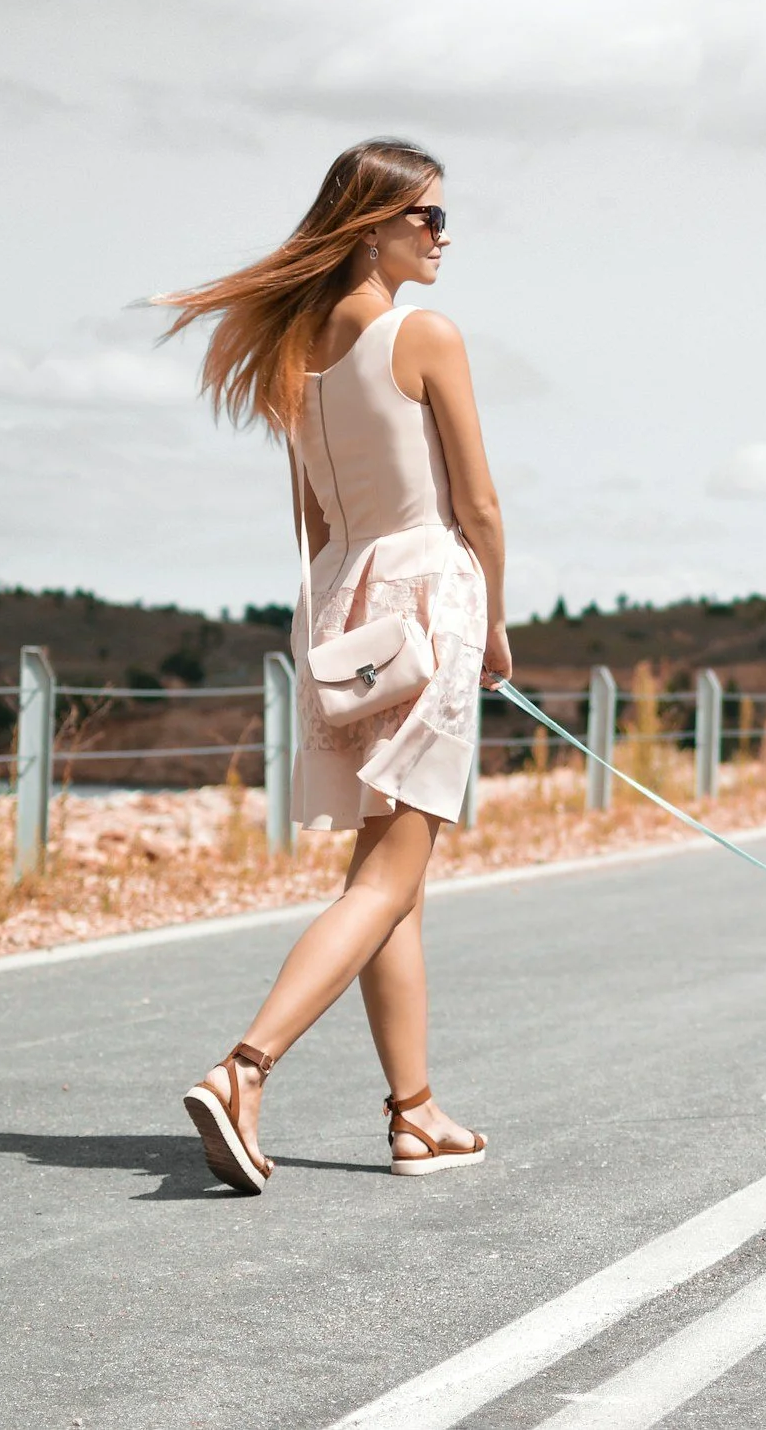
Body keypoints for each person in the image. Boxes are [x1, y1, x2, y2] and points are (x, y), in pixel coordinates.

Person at [160, 139, 509, 1195]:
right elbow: (480, 504)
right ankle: (244, 1066)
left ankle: (415, 1112)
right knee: (390, 870)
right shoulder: (425, 336)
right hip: (429, 598)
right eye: (429, 218)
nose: (444, 236)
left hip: (346, 607)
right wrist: (491, 625)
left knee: (384, 869)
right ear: (374, 227)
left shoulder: (294, 354)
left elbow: (311, 517)